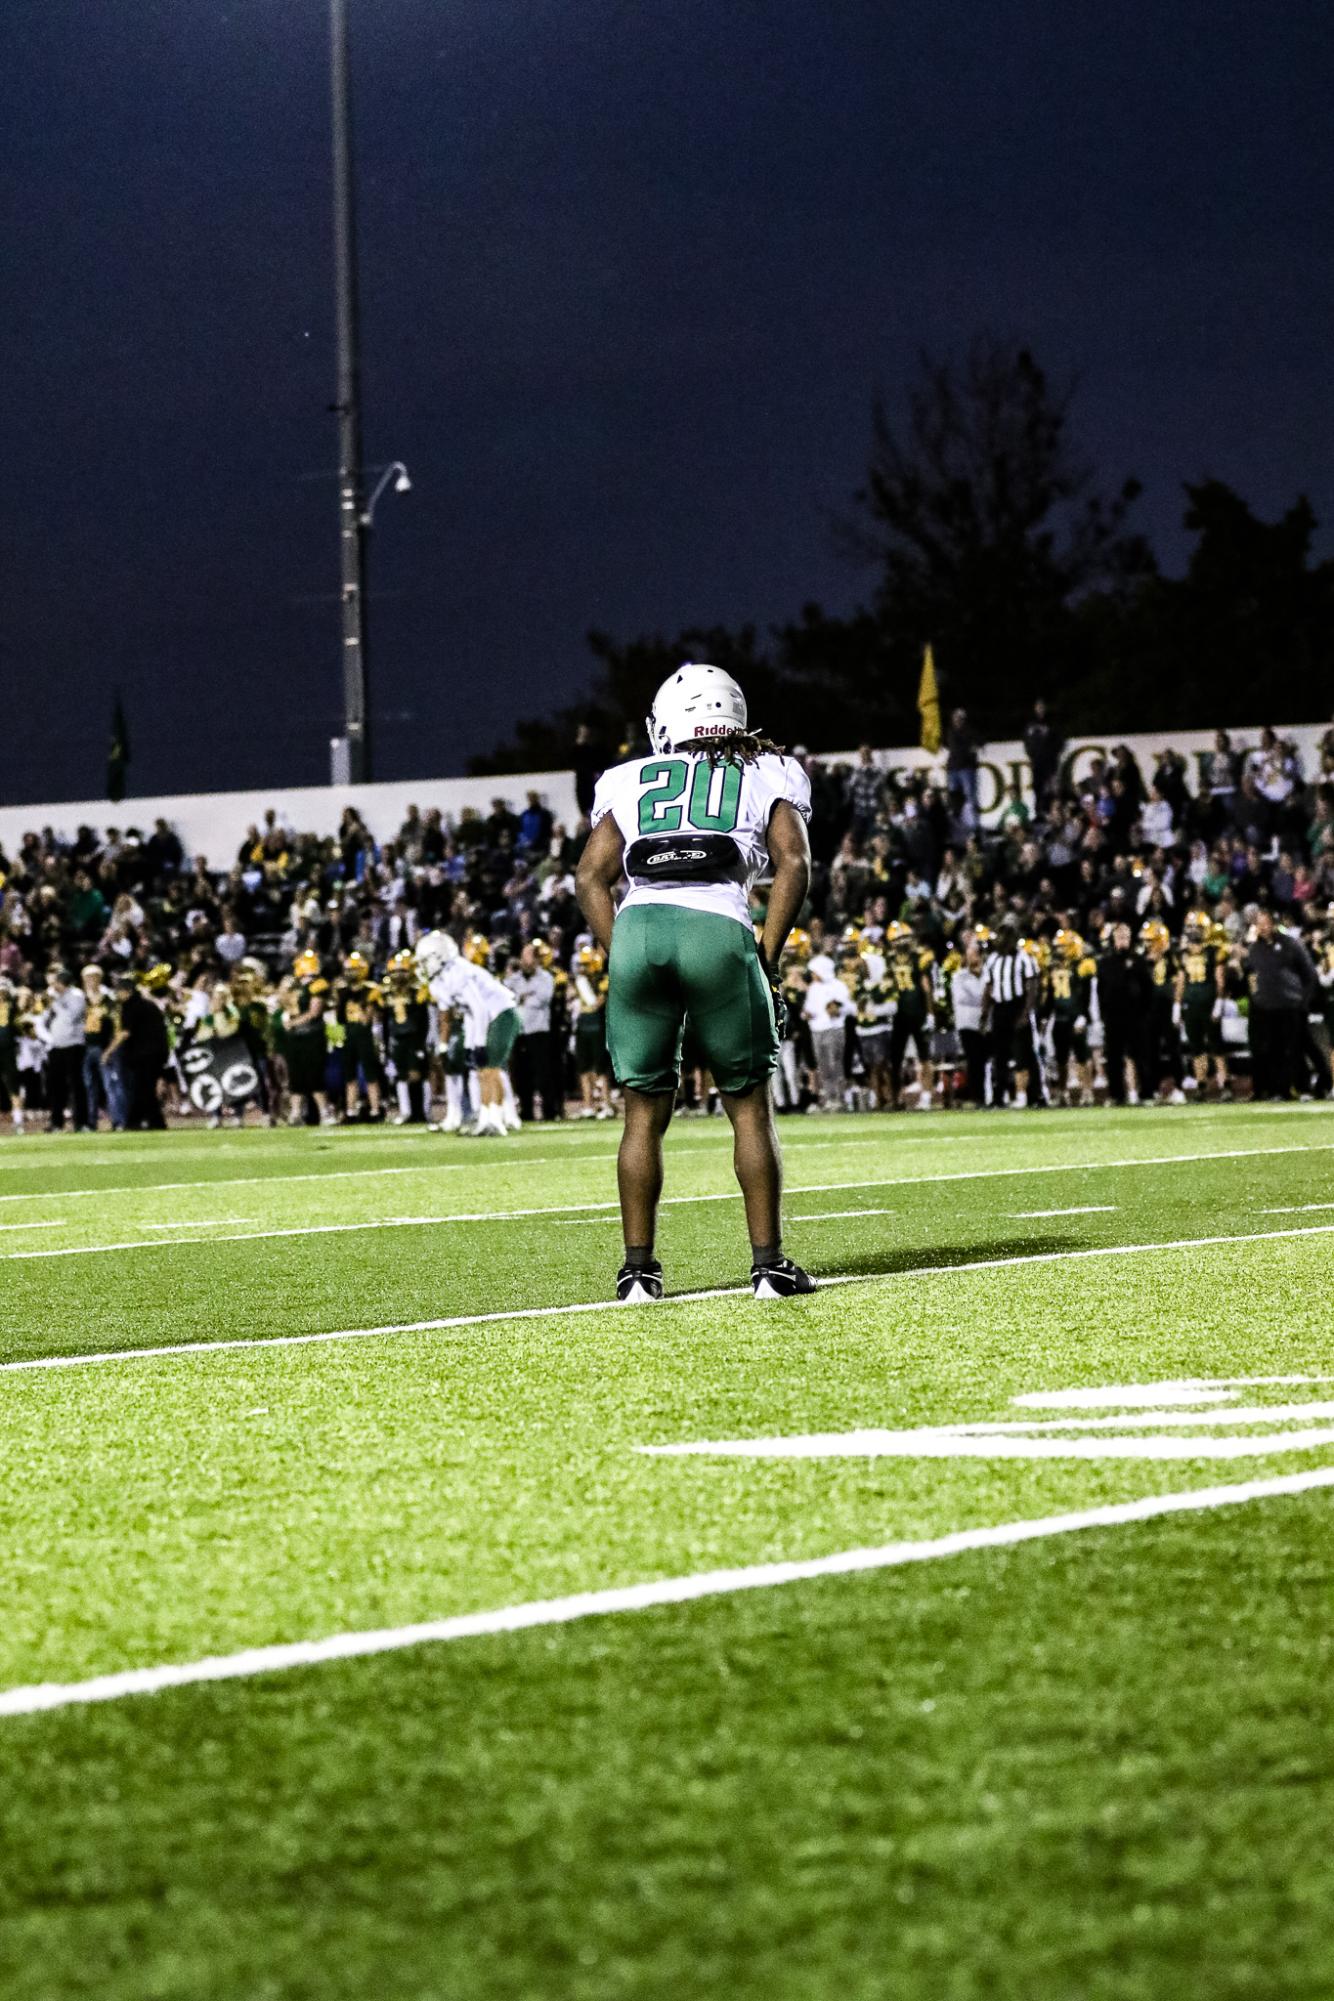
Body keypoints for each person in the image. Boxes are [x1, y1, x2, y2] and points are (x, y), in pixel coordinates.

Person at [574, 661, 815, 1302]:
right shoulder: (767, 769)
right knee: (748, 1111)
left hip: (640, 926)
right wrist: (766, 950)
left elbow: (590, 876)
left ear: (666, 724)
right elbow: (793, 861)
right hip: (717, 925)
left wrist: (620, 947)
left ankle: (637, 1274)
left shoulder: (628, 777)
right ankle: (767, 1266)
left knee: (641, 1116)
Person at [414, 930, 523, 1138]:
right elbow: (469, 1013)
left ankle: (496, 1120)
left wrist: (479, 1043)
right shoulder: (439, 981)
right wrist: (470, 1045)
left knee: (490, 1069)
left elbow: (479, 1008)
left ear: (439, 957)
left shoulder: (458, 971)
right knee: (482, 1069)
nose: (422, 966)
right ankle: (486, 1119)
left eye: (426, 960)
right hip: (487, 1018)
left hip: (503, 1013)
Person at [1245, 910, 1316, 1100]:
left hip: (1290, 1005)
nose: (1263, 927)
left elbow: (1309, 974)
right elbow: (1251, 974)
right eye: (1259, 924)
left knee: (1294, 1049)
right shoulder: (1254, 949)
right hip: (1265, 1008)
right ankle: (1279, 1090)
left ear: (1274, 923)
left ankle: (1304, 1088)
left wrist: (1304, 1002)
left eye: (1266, 923)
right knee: (1271, 1051)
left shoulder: (1291, 944)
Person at [1096, 922, 1153, 1106]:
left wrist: (1144, 1012)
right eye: (1119, 937)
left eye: (1125, 937)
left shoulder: (1138, 961)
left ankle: (1147, 1094)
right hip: (1113, 1016)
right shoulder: (1105, 963)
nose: (1122, 941)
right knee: (1113, 1057)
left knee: (1141, 1056)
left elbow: (1148, 989)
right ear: (1113, 939)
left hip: (1136, 1016)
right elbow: (1101, 991)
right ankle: (1116, 1095)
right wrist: (1104, 1013)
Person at [505, 942, 558, 1121]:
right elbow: (507, 997)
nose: (525, 962)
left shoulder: (546, 977)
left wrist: (521, 997)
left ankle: (549, 1111)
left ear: (536, 960)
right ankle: (526, 1111)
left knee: (544, 1073)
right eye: (524, 957)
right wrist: (525, 996)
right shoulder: (514, 979)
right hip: (519, 1032)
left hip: (538, 1031)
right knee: (521, 1074)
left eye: (529, 958)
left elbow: (543, 999)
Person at [41, 964, 88, 1131]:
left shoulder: (76, 995)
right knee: (54, 1086)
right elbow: (43, 1019)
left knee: (76, 1084)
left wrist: (55, 1003)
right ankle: (56, 1123)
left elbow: (70, 1018)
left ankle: (81, 1122)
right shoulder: (52, 995)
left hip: (73, 1045)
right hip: (56, 1045)